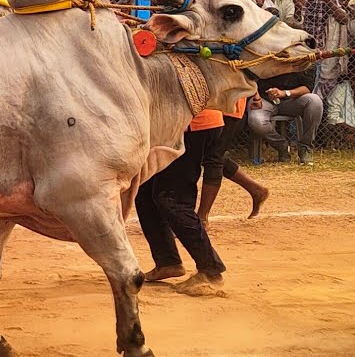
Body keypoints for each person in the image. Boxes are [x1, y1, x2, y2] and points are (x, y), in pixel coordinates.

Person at [135, 107, 228, 294]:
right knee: (145, 193)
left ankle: (210, 270)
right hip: (180, 125)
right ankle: (167, 261)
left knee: (173, 199)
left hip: (191, 126)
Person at [196, 97, 268, 229]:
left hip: (230, 106)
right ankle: (256, 190)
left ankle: (202, 217)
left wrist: (256, 95)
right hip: (210, 103)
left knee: (213, 157)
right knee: (206, 153)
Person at [248, 64, 323, 165]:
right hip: (263, 99)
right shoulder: (264, 53)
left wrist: (285, 93)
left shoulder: (304, 56)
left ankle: (305, 148)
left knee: (315, 101)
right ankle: (281, 146)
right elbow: (249, 78)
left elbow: (307, 88)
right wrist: (256, 96)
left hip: (291, 99)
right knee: (256, 120)